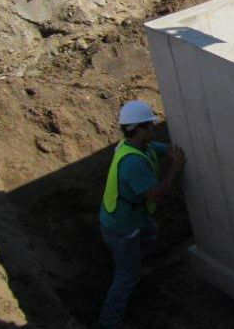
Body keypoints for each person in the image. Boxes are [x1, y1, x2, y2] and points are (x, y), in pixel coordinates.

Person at [97, 100, 185, 329]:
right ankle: (109, 322)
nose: (153, 129)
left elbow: (159, 149)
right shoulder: (133, 164)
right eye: (149, 126)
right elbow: (155, 194)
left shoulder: (136, 145)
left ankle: (138, 267)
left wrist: (178, 150)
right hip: (122, 228)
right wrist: (175, 168)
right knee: (126, 277)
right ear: (138, 129)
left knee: (151, 233)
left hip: (130, 218)